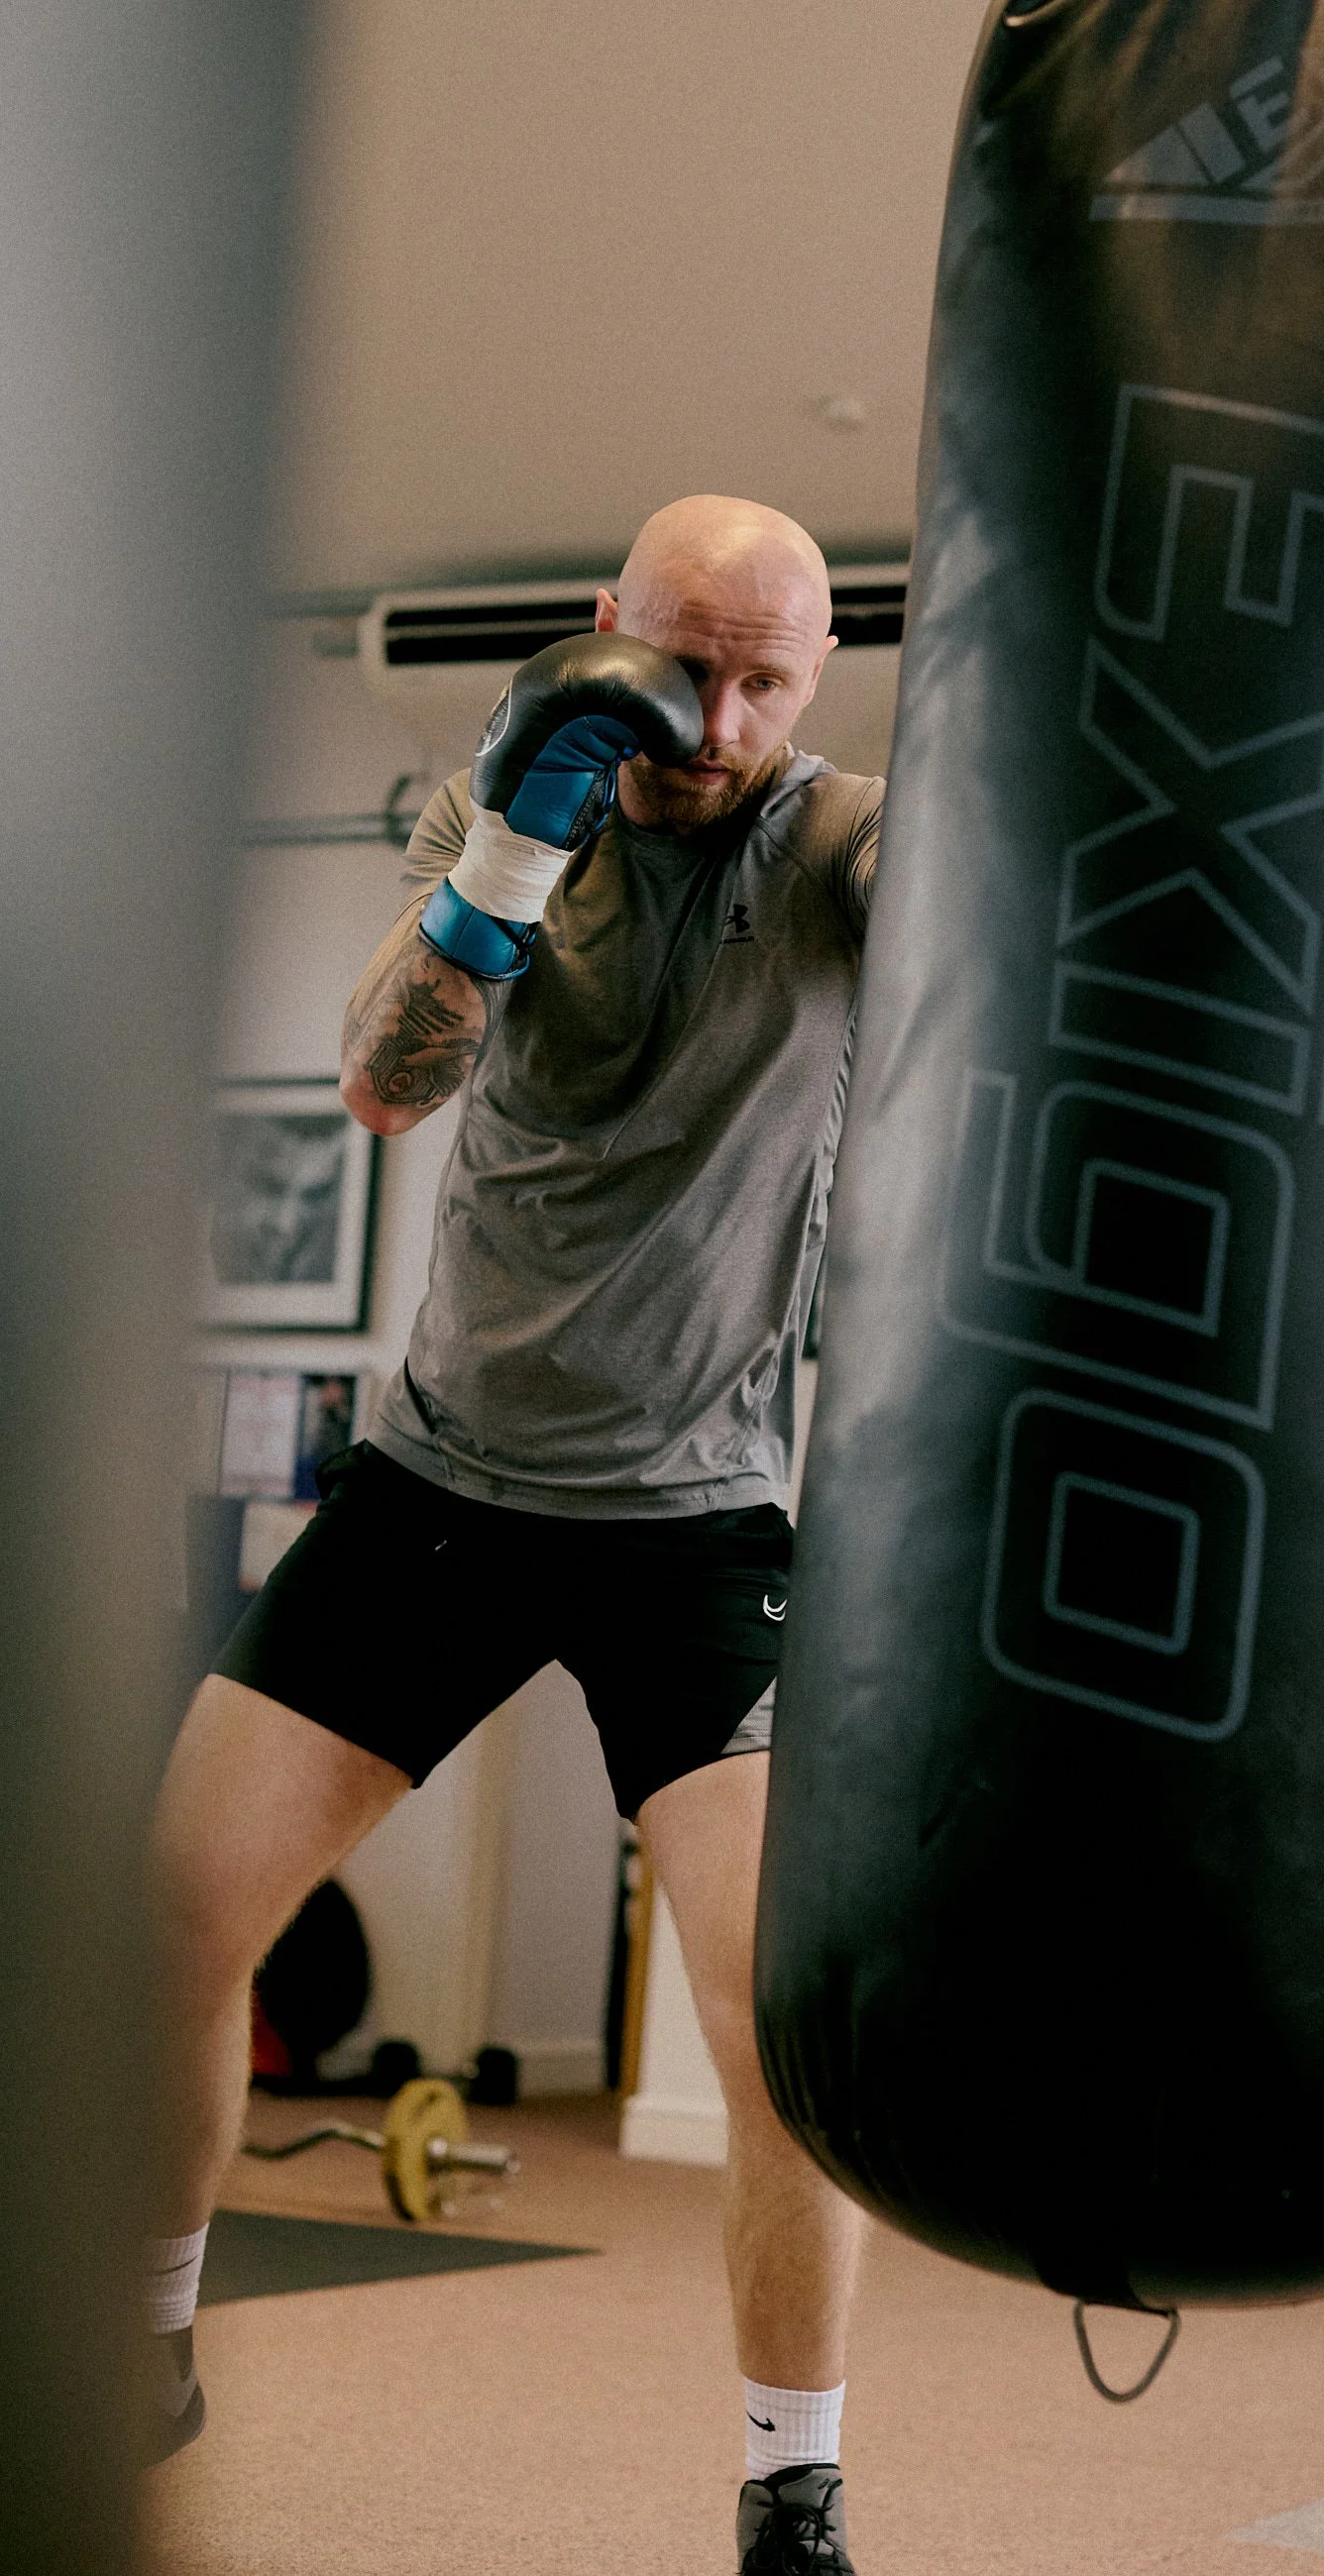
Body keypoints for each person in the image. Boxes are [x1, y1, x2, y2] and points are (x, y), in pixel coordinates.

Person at [146, 495, 880, 2575]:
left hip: (698, 1520)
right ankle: (143, 2339)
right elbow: (386, 1089)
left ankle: (794, 2485)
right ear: (607, 626)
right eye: (686, 664)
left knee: (780, 2030)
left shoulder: (841, 841)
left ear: (816, 678)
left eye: (766, 681)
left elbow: (990, 945)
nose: (716, 722)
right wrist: (507, 858)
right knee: (171, 1916)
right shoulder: (497, 797)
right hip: (438, 1486)